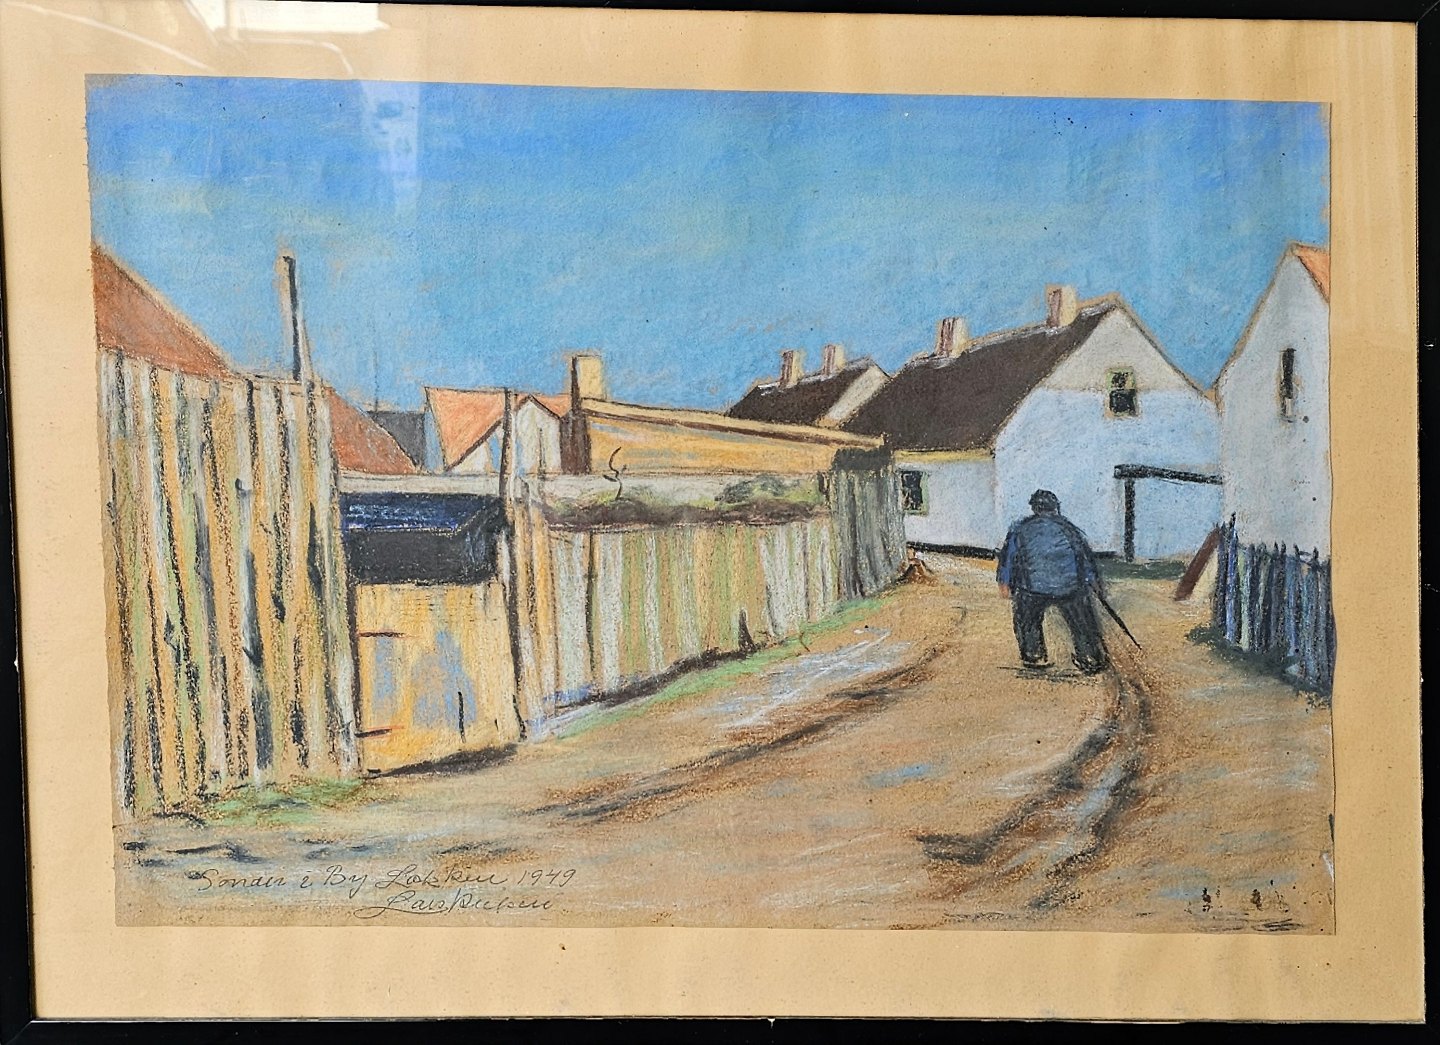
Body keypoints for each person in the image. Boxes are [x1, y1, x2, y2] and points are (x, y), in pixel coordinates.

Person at [996, 489, 1110, 675]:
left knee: (1026, 618)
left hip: (1032, 588)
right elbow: (1083, 557)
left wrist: (1004, 581)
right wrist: (1094, 582)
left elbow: (1009, 557)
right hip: (1069, 587)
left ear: (1034, 508)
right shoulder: (1068, 528)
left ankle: (1033, 654)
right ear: (1055, 507)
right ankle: (1090, 657)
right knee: (1082, 621)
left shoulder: (1020, 528)